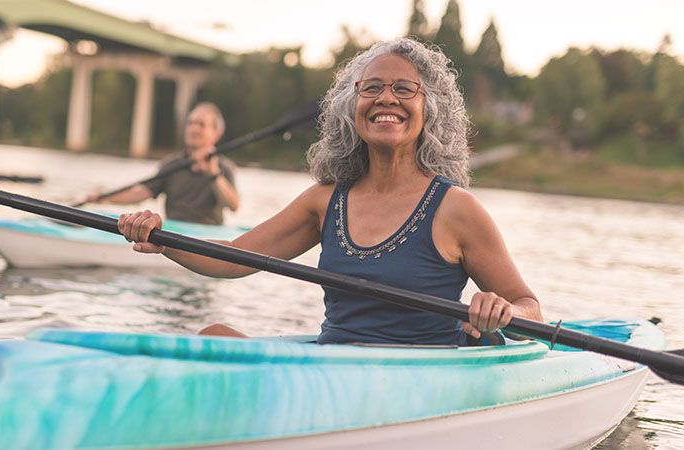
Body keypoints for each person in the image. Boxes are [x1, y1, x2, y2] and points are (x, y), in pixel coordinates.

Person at [117, 38, 543, 345]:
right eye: (371, 87)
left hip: (419, 375)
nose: (385, 98)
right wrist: (160, 238)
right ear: (351, 107)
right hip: (334, 368)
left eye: (404, 89)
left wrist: (503, 311)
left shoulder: (457, 209)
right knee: (212, 337)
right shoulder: (325, 200)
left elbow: (529, 306)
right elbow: (231, 258)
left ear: (429, 109)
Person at [85, 102, 239, 225]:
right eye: (190, 123)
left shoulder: (224, 167)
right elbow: (141, 193)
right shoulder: (171, 163)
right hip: (174, 230)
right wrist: (105, 197)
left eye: (201, 124)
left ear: (216, 134)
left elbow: (233, 205)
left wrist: (213, 175)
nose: (193, 128)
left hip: (208, 234)